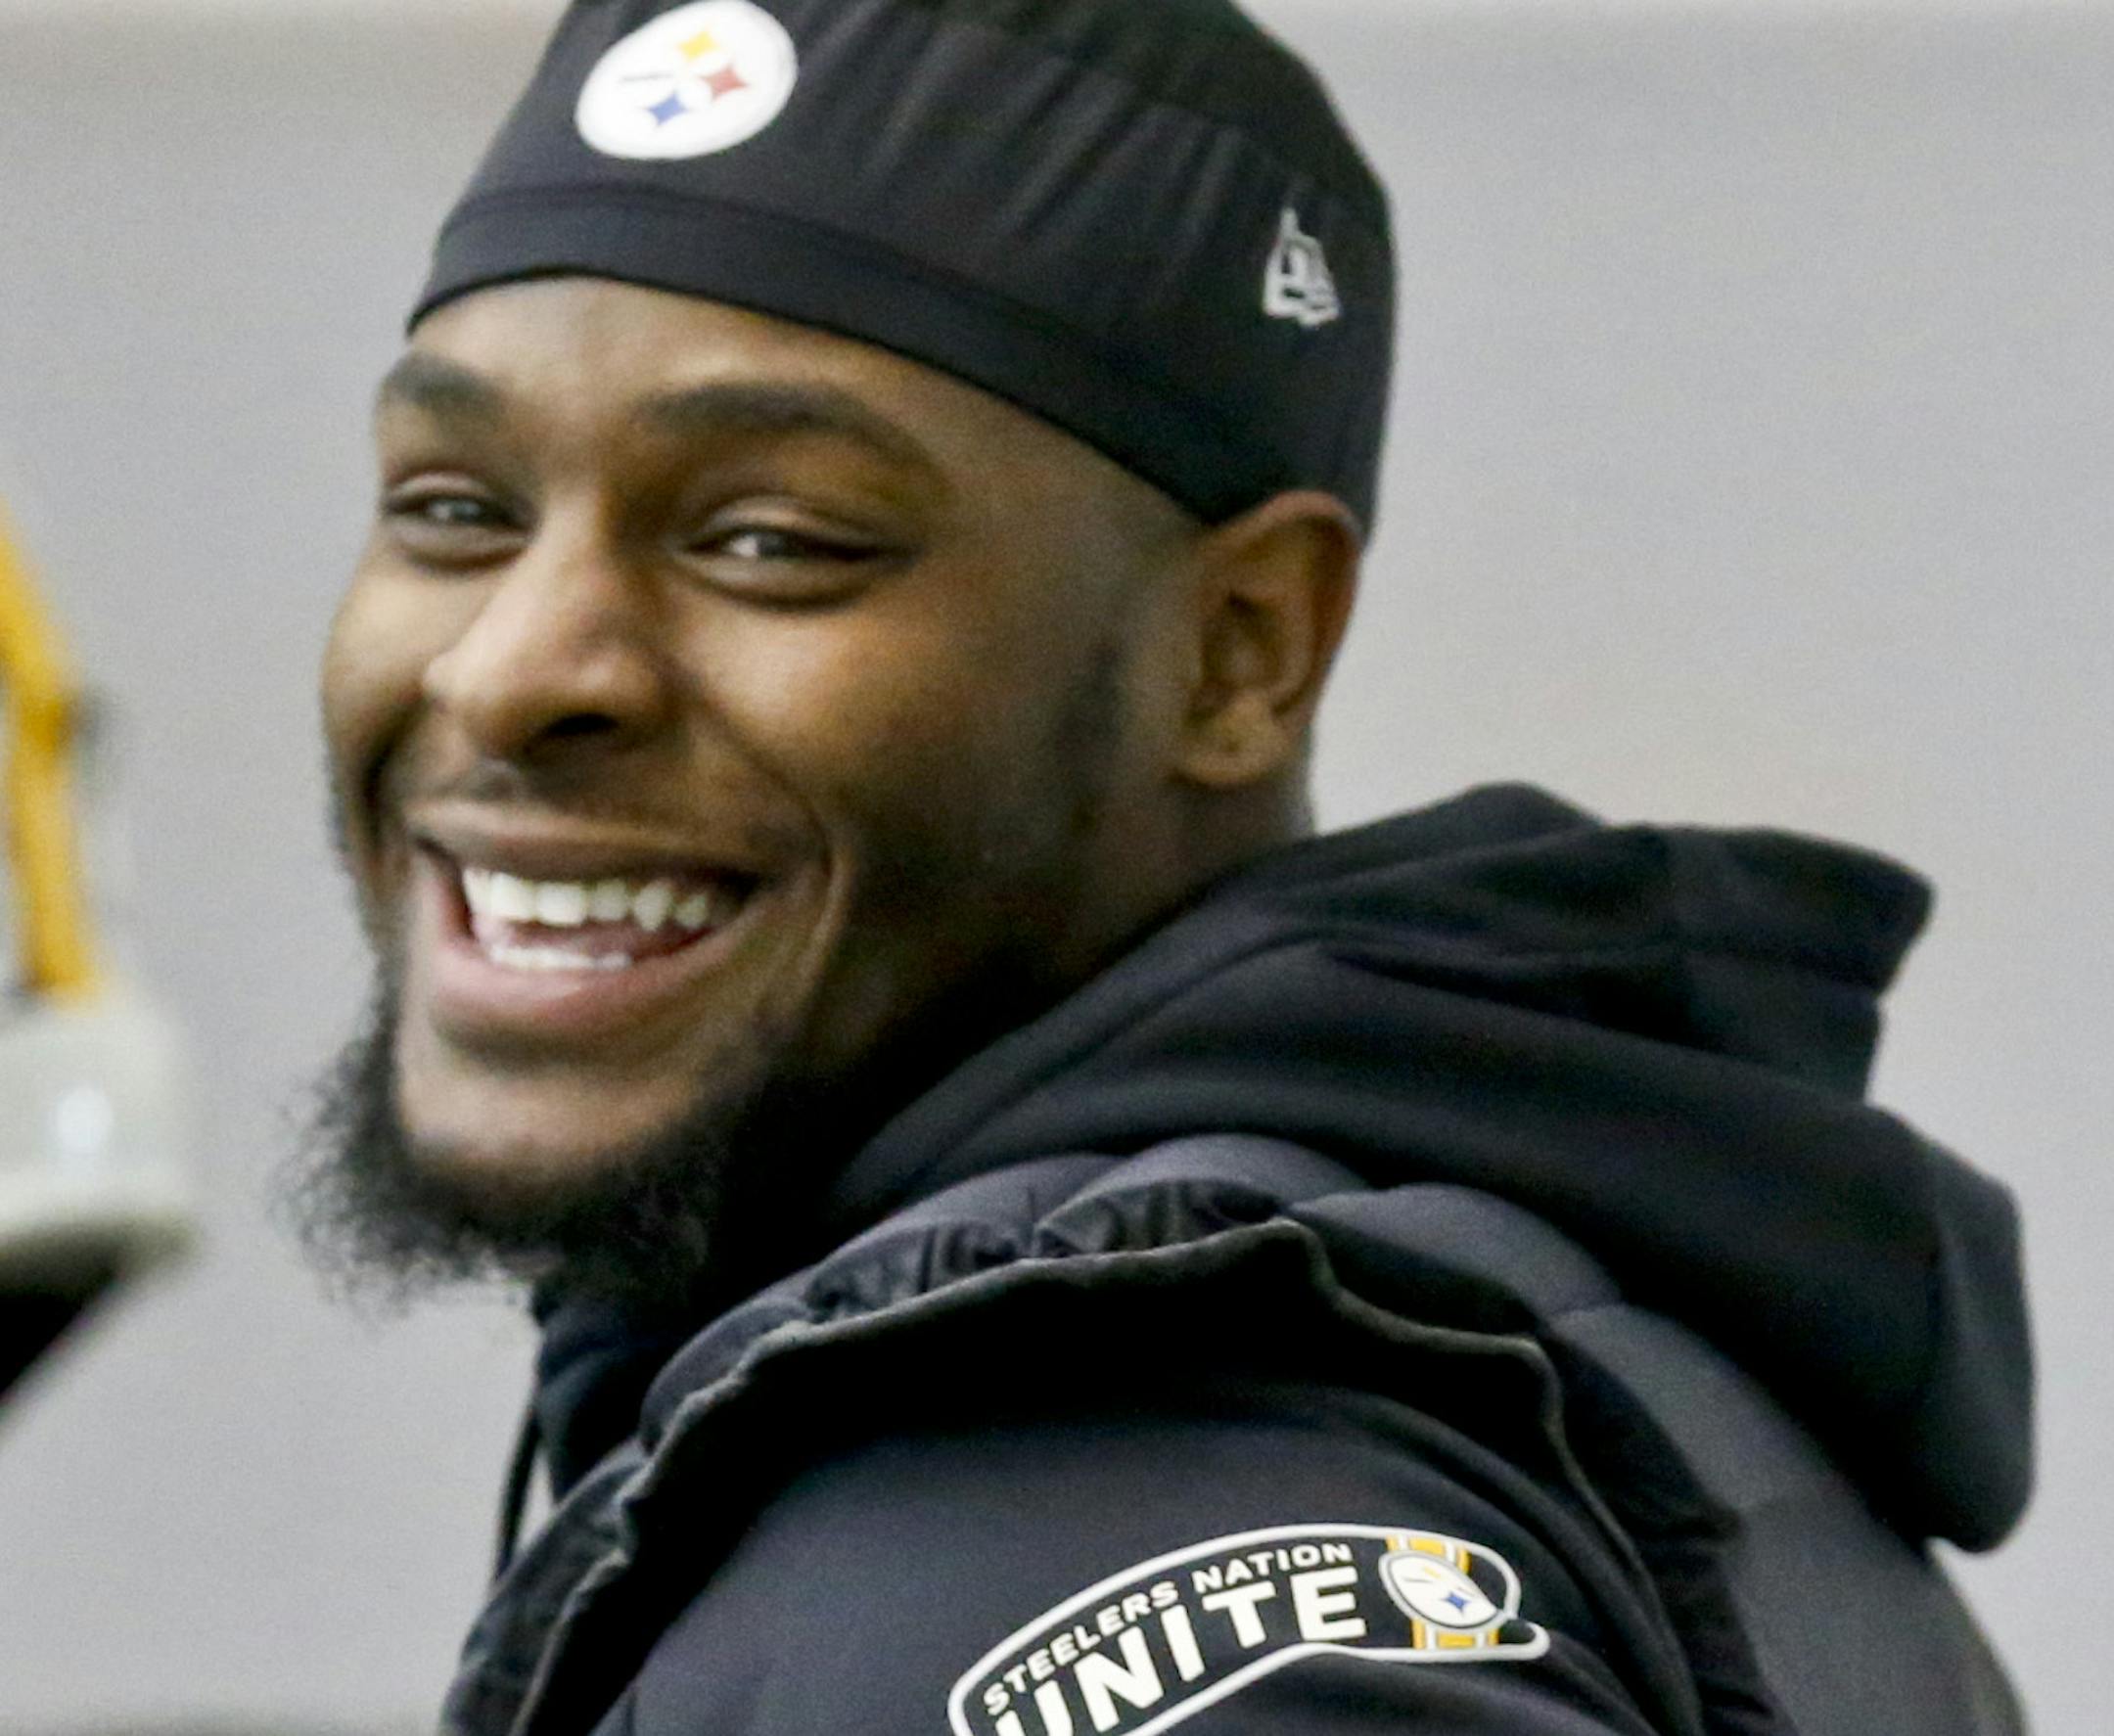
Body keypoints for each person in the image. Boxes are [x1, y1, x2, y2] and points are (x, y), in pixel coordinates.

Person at [299, 3, 2033, 1732]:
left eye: (774, 540)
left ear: (1237, 648)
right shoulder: (1520, 1326)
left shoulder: (1084, 1529)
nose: (511, 671)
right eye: (453, 507)